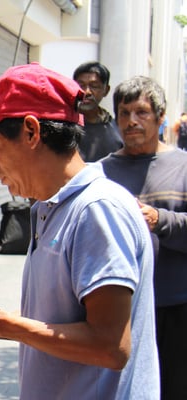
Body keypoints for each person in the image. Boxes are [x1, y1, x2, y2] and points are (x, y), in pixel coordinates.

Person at [0, 63, 159, 399]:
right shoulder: (49, 207)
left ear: (31, 132)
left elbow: (110, 348)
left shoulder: (97, 210)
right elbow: (56, 325)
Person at [101, 76, 187, 399]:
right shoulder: (102, 173)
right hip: (119, 312)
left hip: (174, 309)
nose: (131, 121)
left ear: (161, 117)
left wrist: (158, 219)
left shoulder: (182, 167)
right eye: (124, 113)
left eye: (141, 112)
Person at [72, 61, 123, 161]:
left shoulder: (118, 130)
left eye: (94, 86)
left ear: (106, 90)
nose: (87, 92)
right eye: (81, 85)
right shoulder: (64, 127)